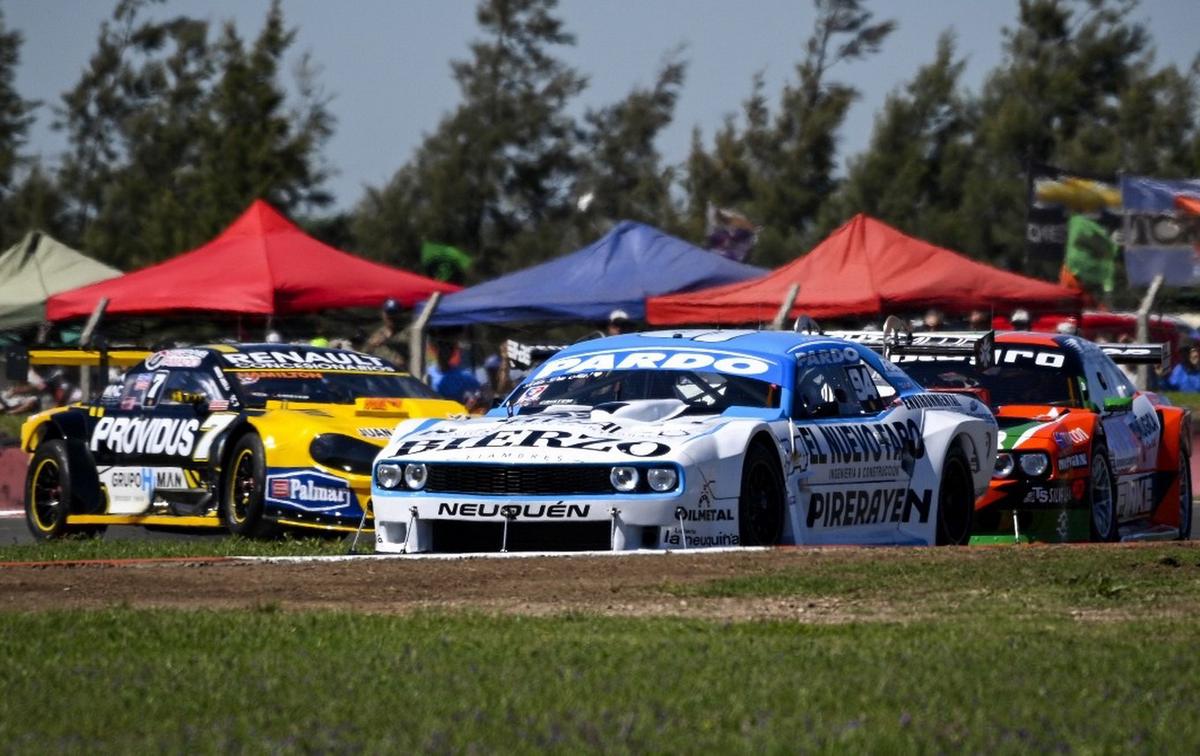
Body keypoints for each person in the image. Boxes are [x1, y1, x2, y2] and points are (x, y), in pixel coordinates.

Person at [426, 340, 481, 405]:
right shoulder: (427, 373)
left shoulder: (465, 377)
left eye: (449, 348)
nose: (445, 352)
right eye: (442, 348)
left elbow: (479, 394)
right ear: (435, 350)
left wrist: (471, 402)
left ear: (453, 351)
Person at [362, 298, 408, 370]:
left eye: (394, 314)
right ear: (383, 314)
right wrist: (371, 345)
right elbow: (363, 356)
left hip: (401, 375)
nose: (391, 317)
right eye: (388, 314)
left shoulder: (407, 333)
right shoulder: (376, 335)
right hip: (381, 376)